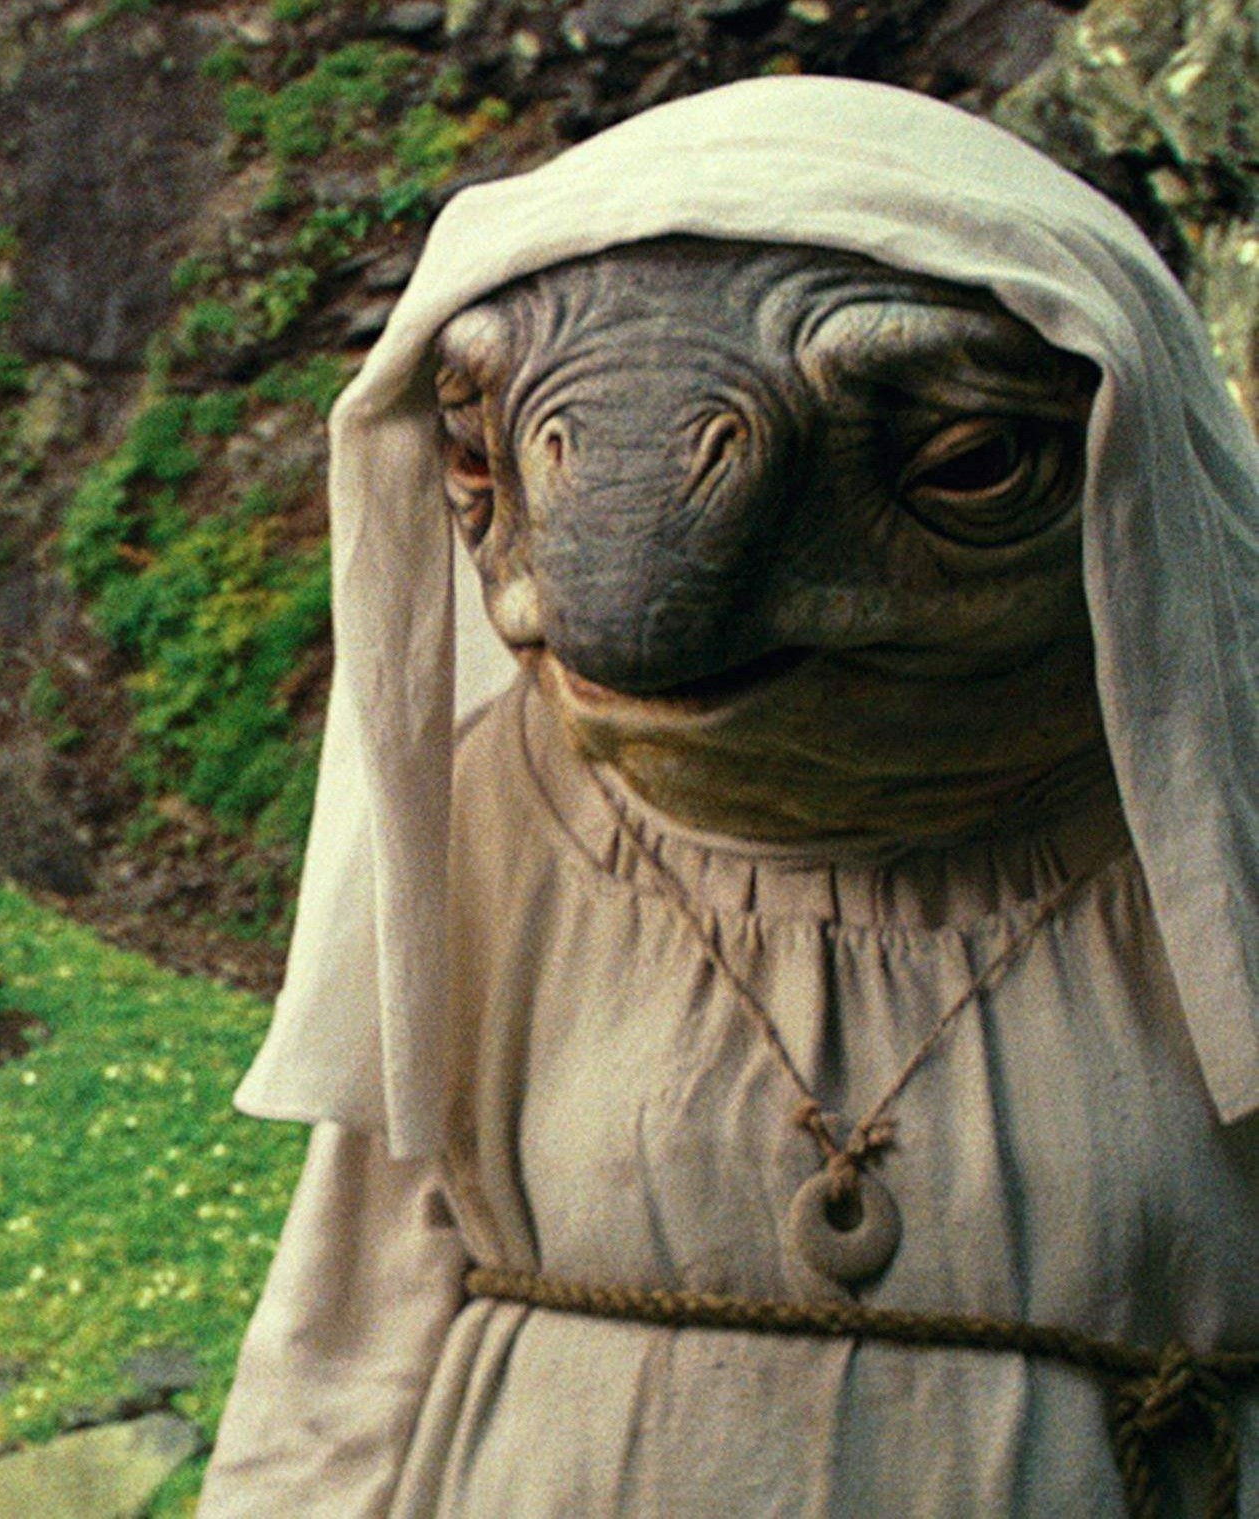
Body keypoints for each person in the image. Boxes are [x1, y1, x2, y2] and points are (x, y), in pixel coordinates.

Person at [199, 77, 1259, 1516]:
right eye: (482, 460)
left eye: (966, 462)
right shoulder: (499, 814)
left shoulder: (1222, 840)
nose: (618, 631)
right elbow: (353, 1326)